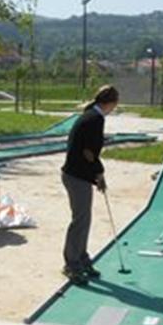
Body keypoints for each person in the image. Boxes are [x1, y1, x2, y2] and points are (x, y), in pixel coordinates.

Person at [60, 84, 119, 286]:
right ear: (110, 103)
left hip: (79, 174)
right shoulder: (95, 119)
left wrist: (96, 175)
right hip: (76, 175)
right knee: (80, 220)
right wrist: (99, 173)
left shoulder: (90, 115)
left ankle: (82, 258)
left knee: (84, 218)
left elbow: (89, 151)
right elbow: (88, 152)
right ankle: (71, 264)